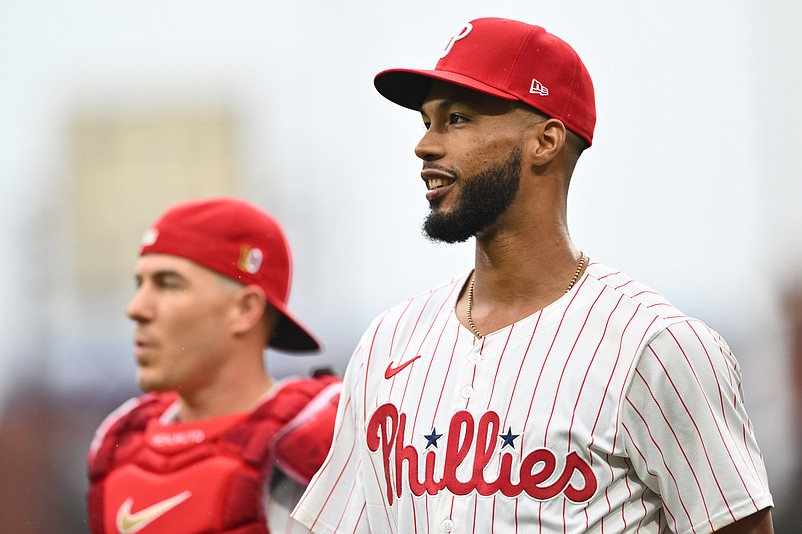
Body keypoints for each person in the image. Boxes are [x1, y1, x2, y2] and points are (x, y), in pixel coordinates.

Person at [291, 17, 774, 533]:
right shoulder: (388, 343)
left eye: (457, 119)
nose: (426, 145)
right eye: (426, 122)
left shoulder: (653, 346)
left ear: (544, 141)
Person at [87, 197, 341, 534]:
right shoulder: (119, 443)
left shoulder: (323, 443)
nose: (135, 308)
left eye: (168, 284)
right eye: (140, 284)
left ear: (245, 310)